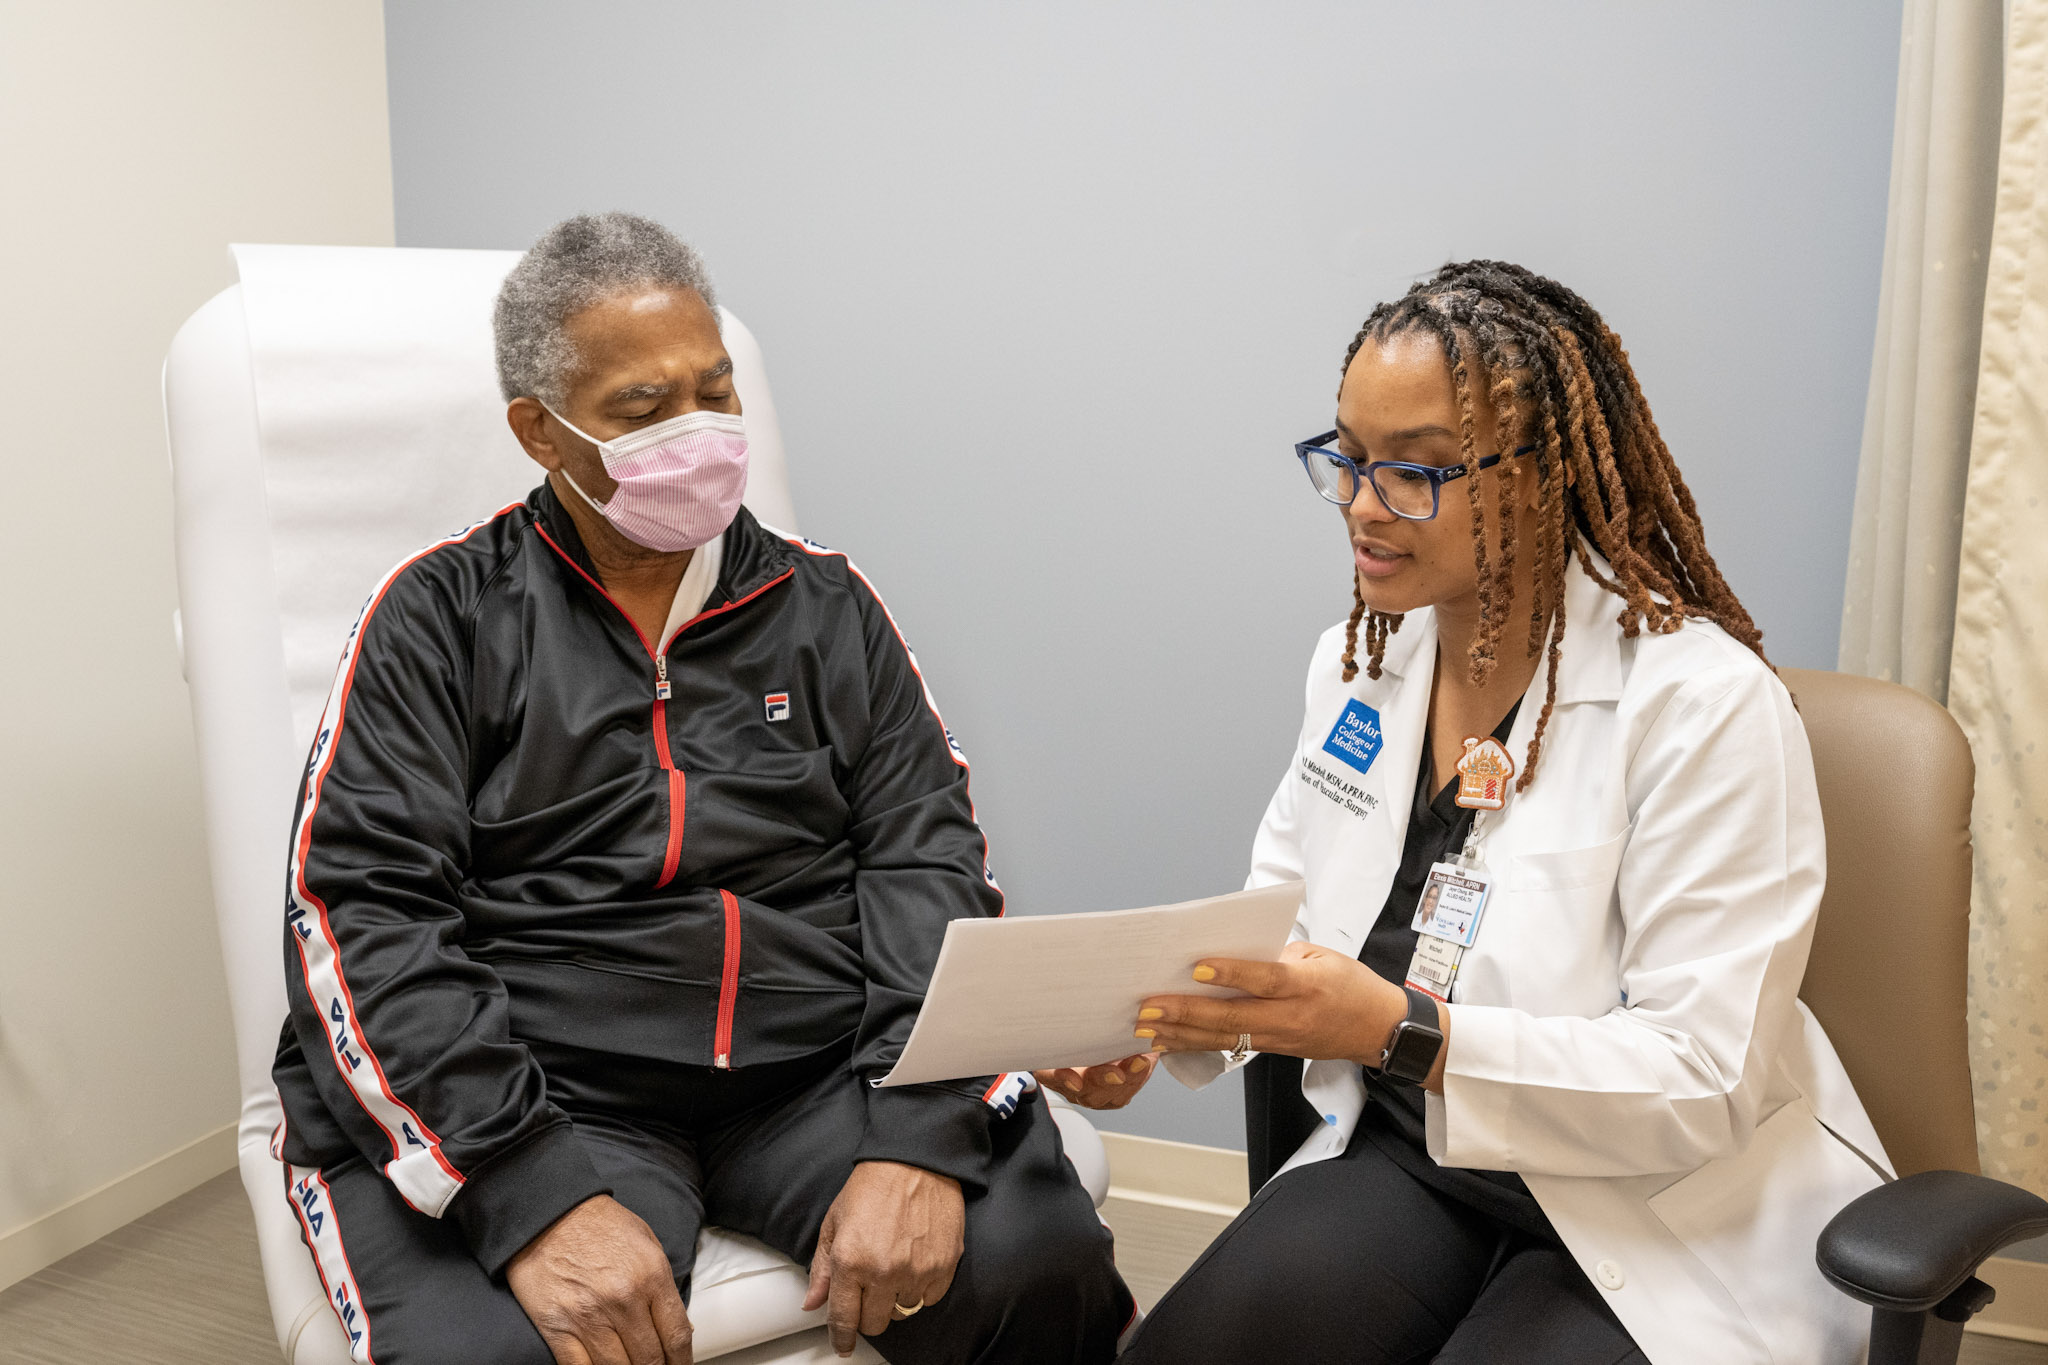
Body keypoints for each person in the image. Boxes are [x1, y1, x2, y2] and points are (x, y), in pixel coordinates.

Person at [272, 212, 1131, 1365]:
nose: (699, 434)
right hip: (548, 1085)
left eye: (715, 393)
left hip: (809, 1071)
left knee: (1035, 1261)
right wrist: (527, 1188)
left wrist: (917, 1137)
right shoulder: (438, 622)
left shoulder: (827, 610)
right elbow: (361, 913)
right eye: (642, 411)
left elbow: (929, 865)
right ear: (541, 430)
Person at [1041, 261, 1888, 1364]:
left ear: (1542, 474)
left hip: (1660, 1207)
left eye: (1417, 472)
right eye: (1346, 456)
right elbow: (1286, 919)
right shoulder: (1361, 664)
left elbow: (1699, 1083)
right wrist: (1166, 1031)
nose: (1359, 502)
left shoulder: (1700, 705)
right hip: (1411, 1158)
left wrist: (1400, 1030)